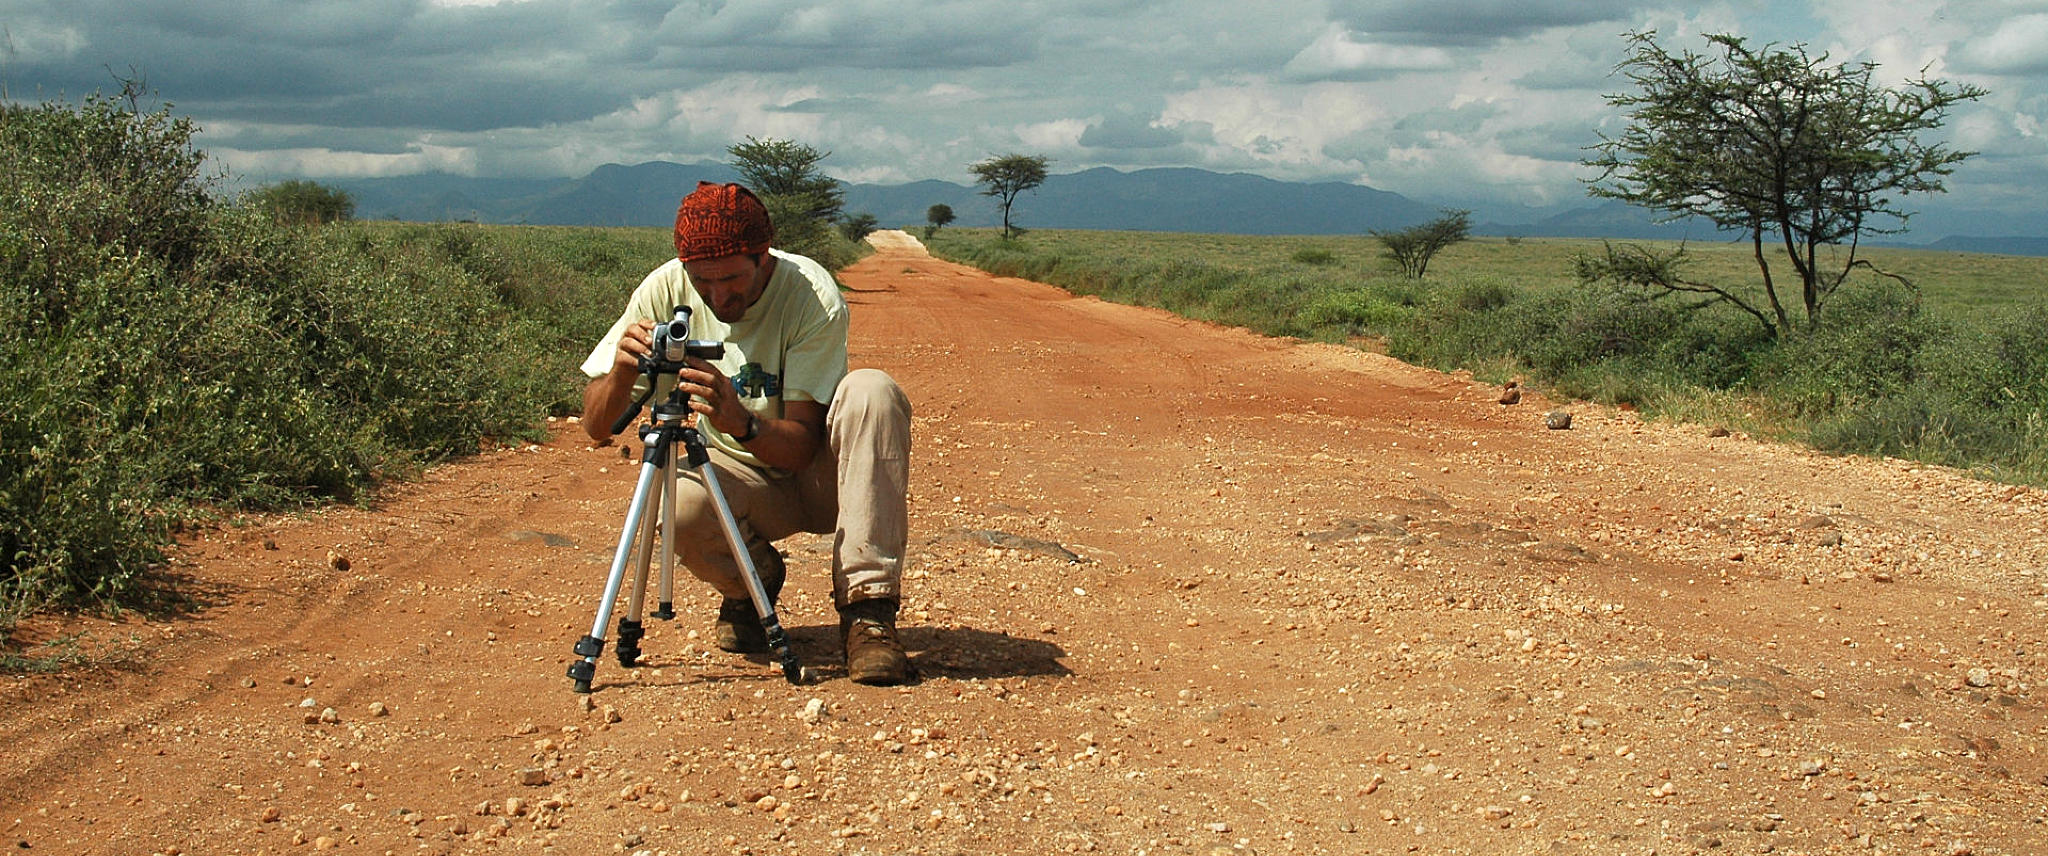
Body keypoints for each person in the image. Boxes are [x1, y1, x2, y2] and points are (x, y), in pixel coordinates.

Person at [579, 181, 913, 685]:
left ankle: (869, 614)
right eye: (702, 281)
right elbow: (595, 426)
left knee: (872, 391)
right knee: (675, 501)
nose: (717, 296)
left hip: (821, 478)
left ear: (764, 257)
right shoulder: (664, 289)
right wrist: (624, 374)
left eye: (732, 278)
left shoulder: (809, 292)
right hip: (739, 478)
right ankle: (751, 587)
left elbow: (800, 447)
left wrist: (739, 419)